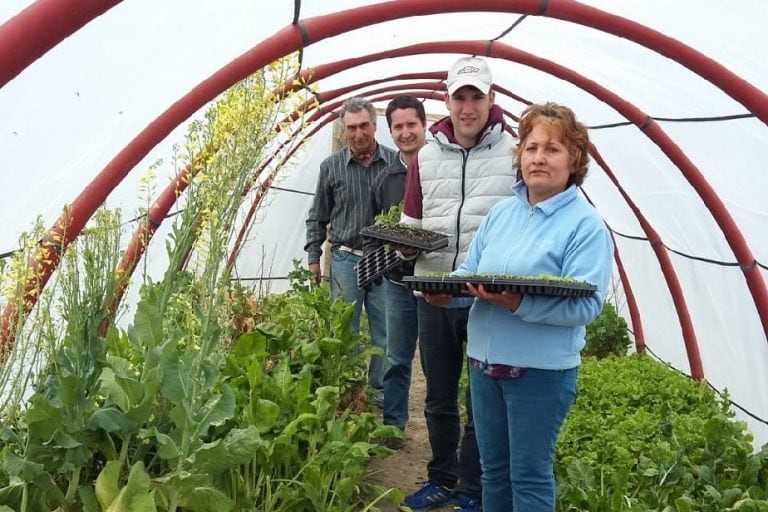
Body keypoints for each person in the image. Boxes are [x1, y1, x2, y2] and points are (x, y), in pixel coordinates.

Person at [427, 102, 614, 511]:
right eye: (530, 148)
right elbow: (472, 272)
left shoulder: (585, 226)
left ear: (574, 160)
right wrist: (447, 292)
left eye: (552, 149)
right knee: (492, 472)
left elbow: (587, 306)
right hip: (483, 365)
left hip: (539, 373)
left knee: (528, 476)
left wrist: (518, 303)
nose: (538, 158)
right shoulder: (502, 213)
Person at [400, 56, 517, 512]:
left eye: (477, 96)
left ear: (491, 99)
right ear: (446, 100)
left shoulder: (513, 153)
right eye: (459, 97)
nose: (468, 107)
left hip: (482, 299)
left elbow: (524, 227)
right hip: (433, 293)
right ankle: (441, 479)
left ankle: (473, 488)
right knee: (439, 396)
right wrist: (407, 250)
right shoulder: (426, 157)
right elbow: (411, 223)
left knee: (481, 398)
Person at [304, 97, 396, 400]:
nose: (358, 134)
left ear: (375, 125)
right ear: (344, 130)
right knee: (347, 329)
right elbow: (318, 214)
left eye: (364, 126)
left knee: (385, 330)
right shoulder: (331, 167)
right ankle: (350, 388)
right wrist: (314, 256)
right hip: (345, 257)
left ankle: (377, 391)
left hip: (384, 260)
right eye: (352, 128)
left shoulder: (395, 164)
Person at [364, 95, 428, 447]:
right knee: (396, 358)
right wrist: (377, 262)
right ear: (390, 131)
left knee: (439, 365)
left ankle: (441, 433)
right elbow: (373, 230)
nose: (405, 133)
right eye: (398, 127)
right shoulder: (385, 179)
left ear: (424, 125)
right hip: (396, 281)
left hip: (434, 281)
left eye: (411, 125)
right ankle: (393, 428)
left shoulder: (439, 168)